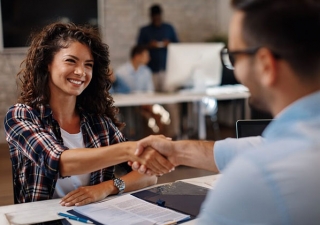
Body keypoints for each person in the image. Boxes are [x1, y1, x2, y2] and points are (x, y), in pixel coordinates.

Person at [131, 0, 320, 224]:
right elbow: (257, 146)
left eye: (234, 57)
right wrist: (176, 151)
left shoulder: (258, 177)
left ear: (265, 65)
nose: (234, 69)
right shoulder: (299, 142)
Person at [3, 22, 174, 205]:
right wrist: (129, 150)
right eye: (71, 61)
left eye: (88, 65)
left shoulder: (98, 123)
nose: (81, 72)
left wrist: (106, 188)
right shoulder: (21, 116)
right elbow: (60, 163)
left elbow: (148, 176)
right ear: (47, 64)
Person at [137, 4, 179, 92]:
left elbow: (178, 46)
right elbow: (138, 48)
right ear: (151, 16)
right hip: (151, 70)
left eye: (158, 16)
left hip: (167, 69)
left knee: (170, 100)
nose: (156, 18)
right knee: (152, 97)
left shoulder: (168, 28)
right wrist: (149, 45)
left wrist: (169, 44)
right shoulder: (145, 30)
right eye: (154, 16)